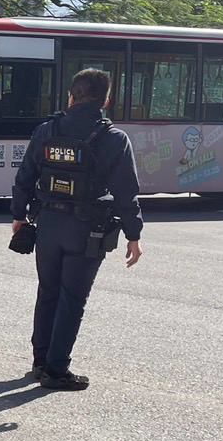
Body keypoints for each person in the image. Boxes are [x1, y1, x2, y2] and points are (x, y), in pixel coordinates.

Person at [10, 68, 143, 391]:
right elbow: (126, 192)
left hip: (48, 225)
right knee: (72, 298)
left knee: (48, 292)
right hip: (87, 229)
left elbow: (24, 177)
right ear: (106, 100)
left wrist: (19, 217)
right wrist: (133, 235)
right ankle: (57, 370)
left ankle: (41, 361)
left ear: (71, 96)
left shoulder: (46, 130)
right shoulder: (113, 139)